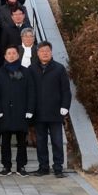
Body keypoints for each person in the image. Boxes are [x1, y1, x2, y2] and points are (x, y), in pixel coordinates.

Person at [30, 41, 71, 178]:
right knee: (41, 142)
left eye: (47, 51)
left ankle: (58, 168)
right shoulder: (32, 69)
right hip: (39, 112)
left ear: (51, 52)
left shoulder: (59, 69)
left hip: (55, 112)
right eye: (42, 51)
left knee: (57, 141)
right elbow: (28, 90)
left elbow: (66, 90)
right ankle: (43, 167)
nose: (45, 53)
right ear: (37, 53)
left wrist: (65, 106)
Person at [0, 45, 35, 177]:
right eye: (9, 53)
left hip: (21, 111)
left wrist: (30, 109)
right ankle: (6, 166)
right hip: (5, 112)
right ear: (5, 56)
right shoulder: (0, 72)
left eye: (14, 53)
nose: (11, 55)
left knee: (22, 140)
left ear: (18, 55)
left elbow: (31, 91)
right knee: (5, 141)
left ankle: (21, 166)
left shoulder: (25, 71)